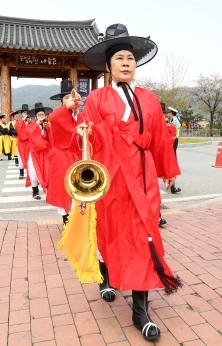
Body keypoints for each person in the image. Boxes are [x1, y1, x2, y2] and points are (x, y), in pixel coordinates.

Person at [76, 23, 181, 340]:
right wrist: (83, 132)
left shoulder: (149, 98)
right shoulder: (96, 99)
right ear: (108, 66)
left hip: (144, 175)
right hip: (112, 177)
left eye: (130, 58)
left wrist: (167, 170)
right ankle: (107, 274)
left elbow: (160, 137)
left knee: (144, 236)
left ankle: (140, 309)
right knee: (110, 232)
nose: (126, 63)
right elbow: (88, 137)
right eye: (119, 58)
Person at [46, 80, 85, 225]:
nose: (71, 100)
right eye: (67, 98)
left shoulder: (82, 116)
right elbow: (53, 118)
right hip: (62, 157)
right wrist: (67, 107)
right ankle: (66, 221)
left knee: (80, 188)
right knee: (64, 189)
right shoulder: (58, 115)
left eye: (74, 97)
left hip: (78, 156)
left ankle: (79, 219)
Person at [26, 103, 51, 200]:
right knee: (34, 172)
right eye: (39, 115)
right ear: (35, 117)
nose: (41, 116)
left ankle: (49, 190)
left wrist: (48, 126)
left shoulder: (47, 125)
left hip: (46, 151)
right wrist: (37, 124)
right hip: (35, 152)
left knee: (47, 170)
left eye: (43, 115)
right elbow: (29, 133)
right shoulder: (32, 125)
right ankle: (35, 191)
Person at [166, 107, 182, 194]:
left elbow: (172, 132)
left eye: (168, 112)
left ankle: (172, 184)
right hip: (172, 140)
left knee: (172, 160)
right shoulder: (172, 120)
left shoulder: (174, 121)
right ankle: (171, 184)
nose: (167, 114)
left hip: (173, 140)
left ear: (171, 113)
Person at [14, 104, 31, 180]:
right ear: (21, 114)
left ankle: (30, 173)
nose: (25, 114)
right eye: (24, 112)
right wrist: (23, 121)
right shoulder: (19, 122)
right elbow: (17, 129)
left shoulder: (31, 121)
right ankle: (21, 172)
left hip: (29, 142)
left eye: (26, 112)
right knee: (21, 158)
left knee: (29, 158)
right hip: (21, 143)